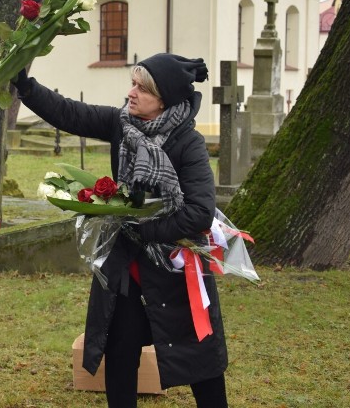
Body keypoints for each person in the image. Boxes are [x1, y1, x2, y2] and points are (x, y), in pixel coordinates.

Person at [13, 54, 228, 407]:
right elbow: (70, 113)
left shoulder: (188, 144)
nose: (130, 93)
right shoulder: (122, 124)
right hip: (126, 267)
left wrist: (145, 230)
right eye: (132, 83)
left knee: (199, 359)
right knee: (120, 351)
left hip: (175, 270)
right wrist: (26, 86)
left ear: (165, 99)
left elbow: (200, 214)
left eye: (142, 88)